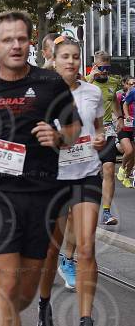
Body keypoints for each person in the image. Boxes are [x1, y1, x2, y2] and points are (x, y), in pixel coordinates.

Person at [0, 11, 81, 326]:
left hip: (41, 197)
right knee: (7, 286)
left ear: (31, 41)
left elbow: (74, 125)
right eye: (8, 39)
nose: (16, 45)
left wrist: (60, 137)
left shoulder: (50, 83)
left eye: (22, 38)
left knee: (24, 293)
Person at [37, 35, 104, 326]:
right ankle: (43, 305)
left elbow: (98, 126)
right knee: (51, 249)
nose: (71, 62)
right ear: (53, 59)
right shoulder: (41, 93)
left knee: (86, 246)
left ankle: (85, 318)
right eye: (65, 57)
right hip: (54, 179)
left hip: (87, 173)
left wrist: (102, 138)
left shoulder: (92, 93)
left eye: (76, 57)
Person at [85, 50, 122, 225]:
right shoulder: (83, 81)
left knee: (108, 169)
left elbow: (113, 98)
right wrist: (90, 79)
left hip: (106, 129)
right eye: (101, 67)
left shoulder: (113, 82)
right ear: (94, 65)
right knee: (88, 175)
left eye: (108, 67)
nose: (105, 71)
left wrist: (120, 117)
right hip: (86, 132)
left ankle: (106, 212)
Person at [118, 76, 135, 188]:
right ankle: (122, 168)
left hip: (133, 128)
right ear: (125, 84)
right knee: (129, 151)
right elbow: (116, 108)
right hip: (123, 128)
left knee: (134, 155)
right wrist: (123, 117)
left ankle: (127, 176)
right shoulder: (120, 96)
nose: (133, 85)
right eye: (131, 83)